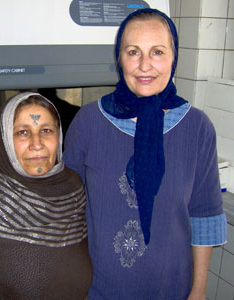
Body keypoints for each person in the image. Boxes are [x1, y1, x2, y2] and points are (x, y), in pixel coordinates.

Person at [63, 8, 227, 300]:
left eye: (157, 52)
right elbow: (65, 210)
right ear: (119, 58)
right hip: (98, 290)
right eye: (133, 52)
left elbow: (204, 215)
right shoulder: (88, 122)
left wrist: (199, 291)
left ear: (173, 57)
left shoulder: (197, 128)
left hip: (173, 290)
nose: (145, 65)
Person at [0, 92, 92, 300]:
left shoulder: (72, 190)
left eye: (46, 130)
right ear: (3, 140)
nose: (37, 144)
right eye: (23, 132)